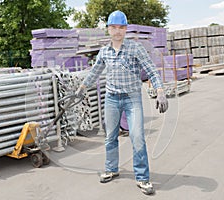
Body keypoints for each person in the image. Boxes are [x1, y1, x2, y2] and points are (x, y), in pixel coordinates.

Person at [75, 10, 168, 195]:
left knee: (137, 137)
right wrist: (82, 88)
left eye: (121, 27)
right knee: (110, 137)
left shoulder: (135, 48)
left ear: (126, 29)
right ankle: (112, 169)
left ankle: (142, 178)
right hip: (111, 99)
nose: (117, 31)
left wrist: (160, 90)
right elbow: (94, 72)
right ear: (108, 29)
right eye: (114, 27)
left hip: (132, 99)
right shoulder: (104, 52)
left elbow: (151, 69)